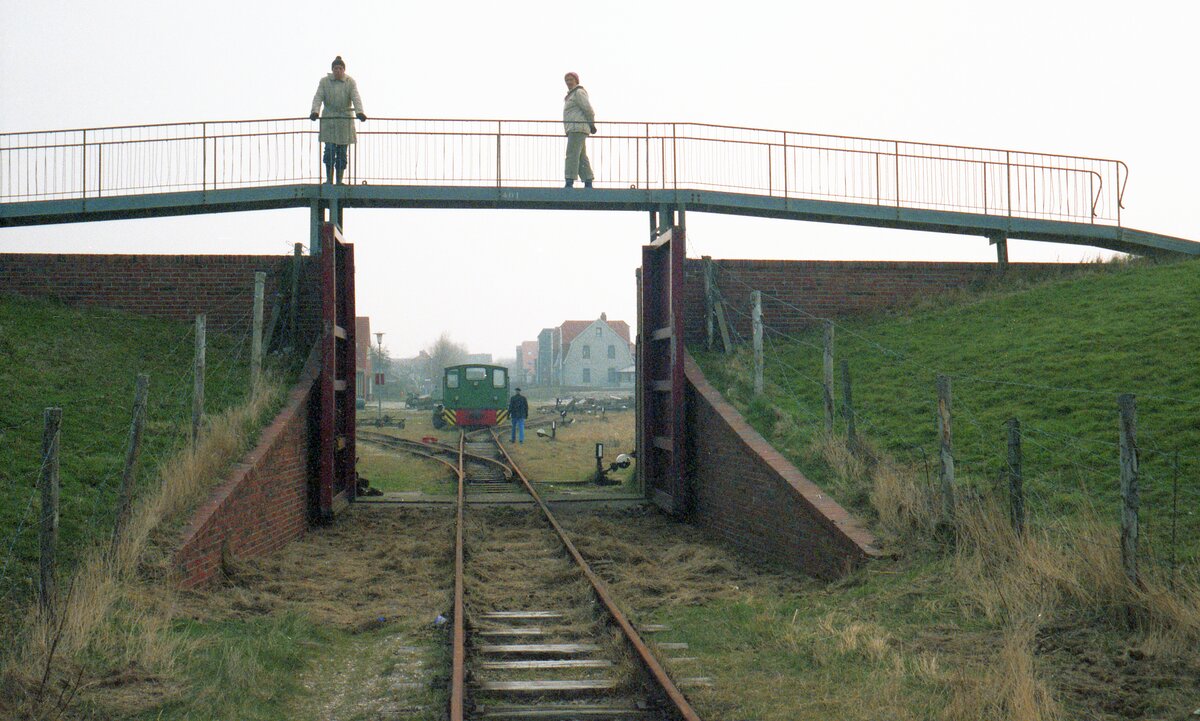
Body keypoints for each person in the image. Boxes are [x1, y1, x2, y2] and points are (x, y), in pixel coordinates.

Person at [310, 56, 366, 185]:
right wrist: (315, 111)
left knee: (342, 153)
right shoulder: (324, 82)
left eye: (340, 68)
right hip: (329, 120)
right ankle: (329, 180)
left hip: (344, 121)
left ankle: (339, 181)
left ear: (344, 70)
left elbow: (356, 97)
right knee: (329, 152)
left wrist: (360, 112)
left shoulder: (350, 82)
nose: (338, 71)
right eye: (335, 68)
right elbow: (318, 97)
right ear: (332, 70)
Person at [562, 72, 596, 188]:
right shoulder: (572, 94)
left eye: (571, 79)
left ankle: (569, 180)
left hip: (577, 128)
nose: (568, 82)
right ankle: (588, 181)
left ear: (576, 80)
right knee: (581, 156)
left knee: (571, 154)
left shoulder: (578, 92)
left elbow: (588, 109)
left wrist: (592, 125)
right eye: (566, 80)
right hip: (575, 128)